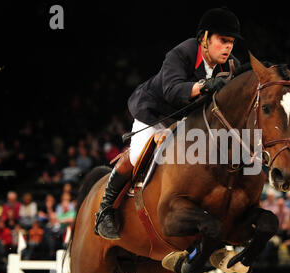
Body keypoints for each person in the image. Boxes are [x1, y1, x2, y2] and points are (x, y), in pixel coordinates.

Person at [94, 7, 243, 240]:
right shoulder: (181, 54)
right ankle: (105, 210)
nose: (228, 47)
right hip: (156, 113)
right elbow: (172, 90)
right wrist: (204, 86)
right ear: (204, 38)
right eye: (223, 40)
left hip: (189, 122)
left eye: (231, 42)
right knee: (136, 156)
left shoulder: (231, 65)